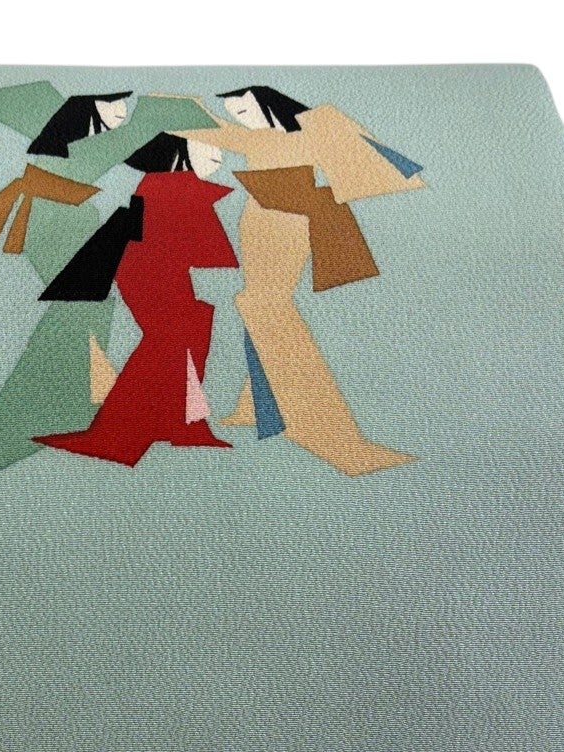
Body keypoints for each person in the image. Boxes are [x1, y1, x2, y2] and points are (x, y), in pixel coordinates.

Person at [0, 86, 217, 469]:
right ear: (85, 110)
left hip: (75, 222)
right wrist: (152, 118)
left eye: (122, 104)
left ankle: (74, 406)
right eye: (112, 104)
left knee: (86, 311)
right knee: (76, 311)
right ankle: (35, 417)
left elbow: (118, 150)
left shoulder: (86, 147)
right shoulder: (68, 145)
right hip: (57, 224)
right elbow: (116, 148)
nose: (120, 110)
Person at [174, 86, 423, 475]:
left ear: (267, 103)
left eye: (244, 106)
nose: (240, 115)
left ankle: (301, 420)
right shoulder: (268, 138)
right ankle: (272, 412)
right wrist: (186, 114)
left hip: (286, 223)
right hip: (262, 220)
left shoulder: (307, 132)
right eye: (234, 110)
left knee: (266, 306)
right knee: (264, 305)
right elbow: (219, 132)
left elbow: (358, 162)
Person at [34, 134, 237, 466]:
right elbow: (192, 245)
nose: (218, 154)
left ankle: (181, 424)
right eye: (205, 145)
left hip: (161, 268)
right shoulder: (164, 185)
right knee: (171, 337)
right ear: (179, 152)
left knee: (187, 333)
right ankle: (122, 431)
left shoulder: (170, 184)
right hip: (146, 270)